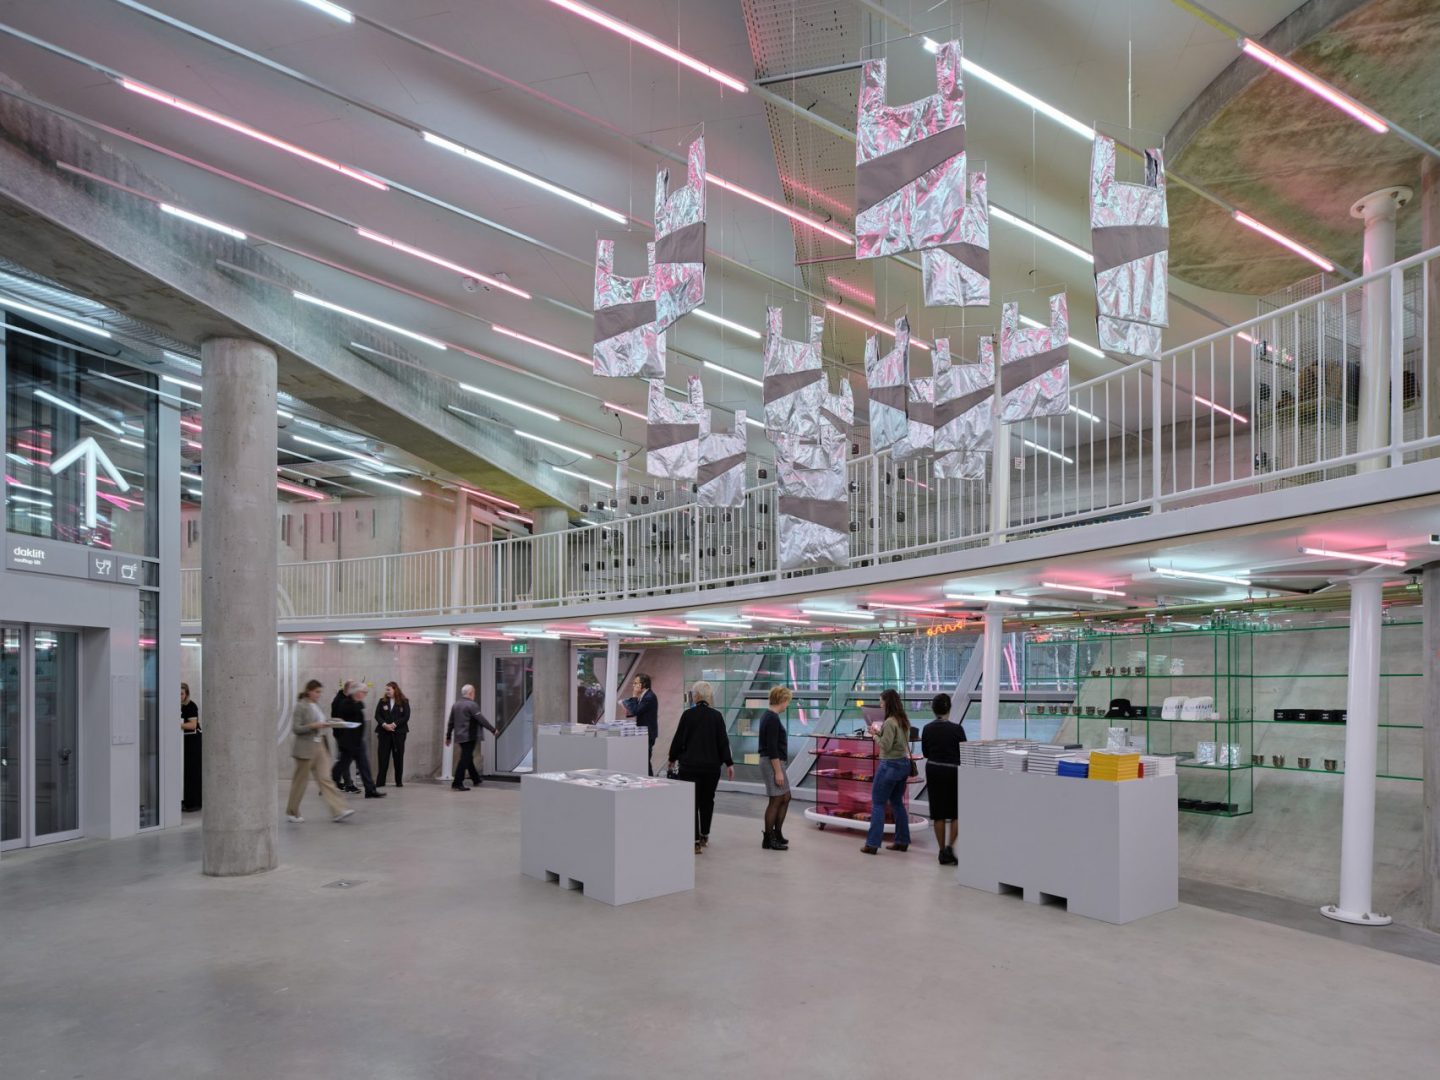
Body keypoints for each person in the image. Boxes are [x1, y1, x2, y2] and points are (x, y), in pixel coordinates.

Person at [666, 680, 734, 853]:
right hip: (711, 769)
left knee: (692, 803)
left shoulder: (688, 715)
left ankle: (694, 841)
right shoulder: (717, 716)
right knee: (707, 801)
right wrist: (729, 763)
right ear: (709, 696)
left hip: (690, 767)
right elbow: (723, 743)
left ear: (695, 696)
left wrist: (672, 758)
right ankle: (705, 835)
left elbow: (679, 740)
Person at [285, 680, 354, 824]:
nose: (319, 695)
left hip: (320, 746)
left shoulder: (316, 705)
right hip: (305, 749)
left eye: (320, 692)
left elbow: (322, 721)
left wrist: (333, 721)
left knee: (326, 779)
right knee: (300, 782)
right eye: (317, 692)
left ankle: (339, 810)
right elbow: (296, 728)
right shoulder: (301, 706)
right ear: (309, 691)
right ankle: (292, 812)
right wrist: (313, 725)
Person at [862, 689, 913, 855]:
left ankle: (872, 844)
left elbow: (886, 745)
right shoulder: (903, 720)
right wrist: (879, 733)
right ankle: (902, 840)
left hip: (889, 765)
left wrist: (874, 736)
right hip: (903, 765)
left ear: (887, 702)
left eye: (881, 701)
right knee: (897, 802)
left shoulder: (890, 721)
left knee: (878, 803)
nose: (880, 704)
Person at [921, 692, 965, 865]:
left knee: (938, 813)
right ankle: (949, 848)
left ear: (933, 709)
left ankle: (941, 851)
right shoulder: (957, 729)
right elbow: (964, 752)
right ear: (949, 708)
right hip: (952, 771)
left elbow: (925, 752)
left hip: (933, 770)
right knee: (956, 812)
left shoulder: (927, 728)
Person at [331, 681, 384, 799]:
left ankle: (370, 790)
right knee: (341, 765)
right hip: (348, 743)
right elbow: (338, 723)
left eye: (366, 692)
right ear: (357, 692)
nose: (365, 694)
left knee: (364, 765)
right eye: (364, 692)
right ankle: (327, 784)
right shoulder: (345, 703)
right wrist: (342, 741)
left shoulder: (356, 703)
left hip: (357, 742)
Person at [757, 685, 792, 851]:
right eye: (787, 702)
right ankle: (769, 838)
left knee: (785, 797)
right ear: (783, 700)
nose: (788, 705)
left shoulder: (769, 716)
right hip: (772, 762)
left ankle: (776, 833)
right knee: (777, 799)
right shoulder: (772, 718)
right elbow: (772, 748)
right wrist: (778, 771)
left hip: (773, 761)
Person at [445, 684, 496, 790]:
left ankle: (475, 778)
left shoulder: (456, 705)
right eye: (474, 692)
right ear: (471, 693)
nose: (474, 694)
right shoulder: (471, 705)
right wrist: (493, 730)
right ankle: (457, 783)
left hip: (460, 736)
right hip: (469, 736)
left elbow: (451, 722)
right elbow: (481, 719)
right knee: (465, 758)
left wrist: (448, 736)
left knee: (468, 757)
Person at [375, 681, 411, 788]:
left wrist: (394, 724)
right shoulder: (382, 701)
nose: (387, 692)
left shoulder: (404, 701)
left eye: (388, 689)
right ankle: (380, 782)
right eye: (386, 690)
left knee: (398, 757)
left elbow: (406, 716)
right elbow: (377, 715)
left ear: (395, 689)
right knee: (383, 757)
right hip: (384, 733)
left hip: (399, 733)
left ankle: (398, 781)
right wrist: (384, 724)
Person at [623, 673, 659, 775]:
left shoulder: (649, 697)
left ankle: (651, 782)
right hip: (643, 733)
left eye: (635, 683)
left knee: (645, 761)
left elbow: (636, 711)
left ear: (643, 684)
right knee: (644, 761)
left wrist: (634, 696)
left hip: (647, 734)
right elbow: (635, 711)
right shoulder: (644, 696)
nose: (633, 685)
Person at [180, 683, 202, 812]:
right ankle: (186, 801)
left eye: (182, 693)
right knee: (185, 772)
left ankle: (194, 803)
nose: (179, 696)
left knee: (192, 771)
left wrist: (176, 723)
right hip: (183, 741)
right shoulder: (176, 705)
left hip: (193, 741)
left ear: (186, 694)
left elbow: (193, 725)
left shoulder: (191, 705)